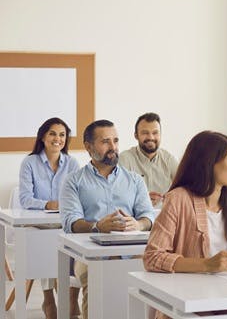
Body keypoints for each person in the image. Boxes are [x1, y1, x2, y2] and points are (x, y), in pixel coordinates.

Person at [144, 131, 227, 318]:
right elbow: (153, 257)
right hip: (187, 300)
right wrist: (207, 265)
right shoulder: (178, 199)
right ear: (209, 162)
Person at [60, 119, 155, 319]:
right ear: (88, 147)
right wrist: (97, 226)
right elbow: (71, 223)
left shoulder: (135, 180)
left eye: (116, 141)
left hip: (131, 251)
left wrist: (138, 224)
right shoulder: (73, 181)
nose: (113, 147)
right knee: (97, 279)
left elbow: (148, 217)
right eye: (105, 142)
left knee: (153, 281)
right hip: (91, 255)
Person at [18, 117, 80, 318]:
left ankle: (69, 298)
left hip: (64, 224)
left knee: (72, 240)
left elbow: (79, 195)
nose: (57, 138)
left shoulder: (72, 164)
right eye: (53, 133)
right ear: (43, 136)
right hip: (38, 225)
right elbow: (25, 199)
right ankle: (49, 298)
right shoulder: (30, 162)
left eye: (62, 135)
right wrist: (49, 204)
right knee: (46, 242)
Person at [119, 112, 179, 208]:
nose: (151, 137)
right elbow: (116, 195)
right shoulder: (124, 159)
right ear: (136, 135)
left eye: (155, 133)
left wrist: (169, 197)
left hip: (164, 217)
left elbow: (183, 188)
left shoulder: (169, 159)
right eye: (145, 133)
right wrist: (141, 199)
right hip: (135, 218)